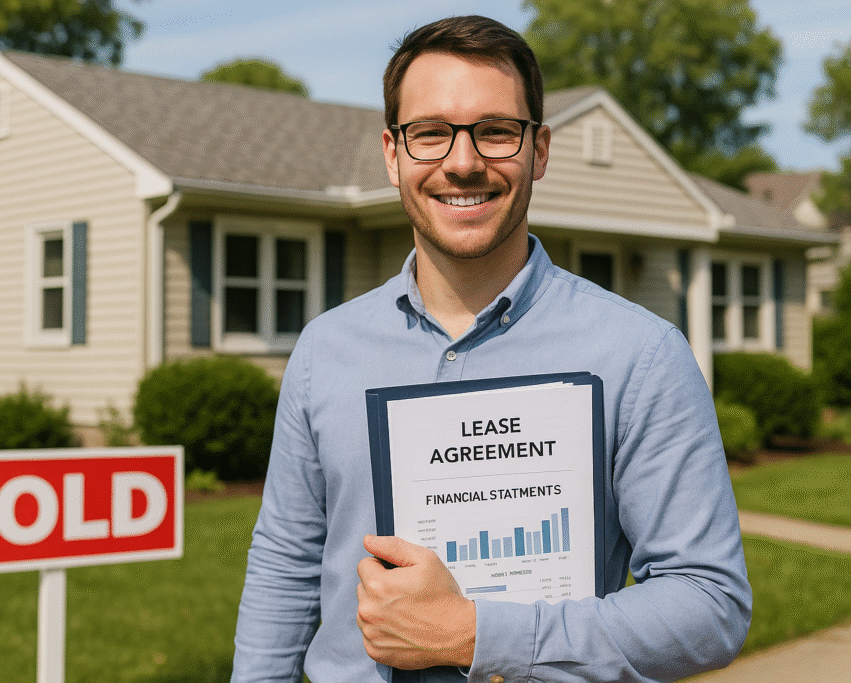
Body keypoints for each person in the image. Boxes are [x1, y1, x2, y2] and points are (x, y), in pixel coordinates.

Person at [231, 15, 751, 683]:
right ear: (393, 153)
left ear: (539, 150)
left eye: (496, 131)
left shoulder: (640, 354)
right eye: (431, 134)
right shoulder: (324, 351)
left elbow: (709, 606)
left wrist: (475, 632)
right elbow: (286, 563)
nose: (463, 161)